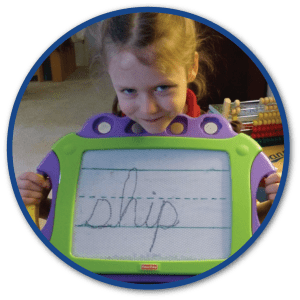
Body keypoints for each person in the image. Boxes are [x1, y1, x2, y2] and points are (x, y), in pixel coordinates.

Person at [17, 13, 281, 223]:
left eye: (162, 87)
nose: (148, 109)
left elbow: (237, 222)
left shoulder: (221, 151)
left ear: (192, 67)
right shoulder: (98, 153)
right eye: (128, 90)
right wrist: (39, 202)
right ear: (111, 77)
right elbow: (89, 218)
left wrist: (272, 204)